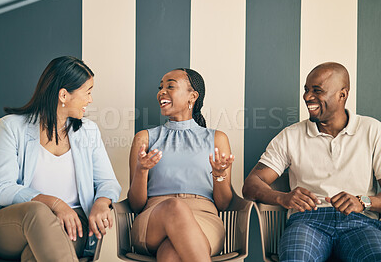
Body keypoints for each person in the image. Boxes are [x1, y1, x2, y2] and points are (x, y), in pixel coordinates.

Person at [0, 56, 121, 261]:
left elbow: (107, 182)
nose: (90, 100)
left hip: (71, 223)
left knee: (35, 255)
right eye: (88, 92)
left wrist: (101, 202)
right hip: (14, 223)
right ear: (64, 95)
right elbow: (2, 189)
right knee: (38, 211)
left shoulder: (88, 132)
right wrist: (54, 204)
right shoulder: (10, 127)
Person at [243, 62, 381, 261]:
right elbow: (251, 184)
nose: (307, 97)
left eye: (317, 91)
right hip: (307, 221)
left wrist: (363, 201)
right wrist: (283, 198)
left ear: (343, 94)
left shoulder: (372, 130)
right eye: (306, 90)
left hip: (360, 222)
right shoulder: (290, 136)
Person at [128, 68, 234, 262]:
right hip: (153, 219)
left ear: (192, 96)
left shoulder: (217, 139)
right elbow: (135, 204)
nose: (161, 92)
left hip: (204, 219)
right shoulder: (144, 138)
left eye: (170, 86)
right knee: (174, 207)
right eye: (160, 87)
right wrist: (141, 170)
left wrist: (220, 175)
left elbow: (224, 203)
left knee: (171, 253)